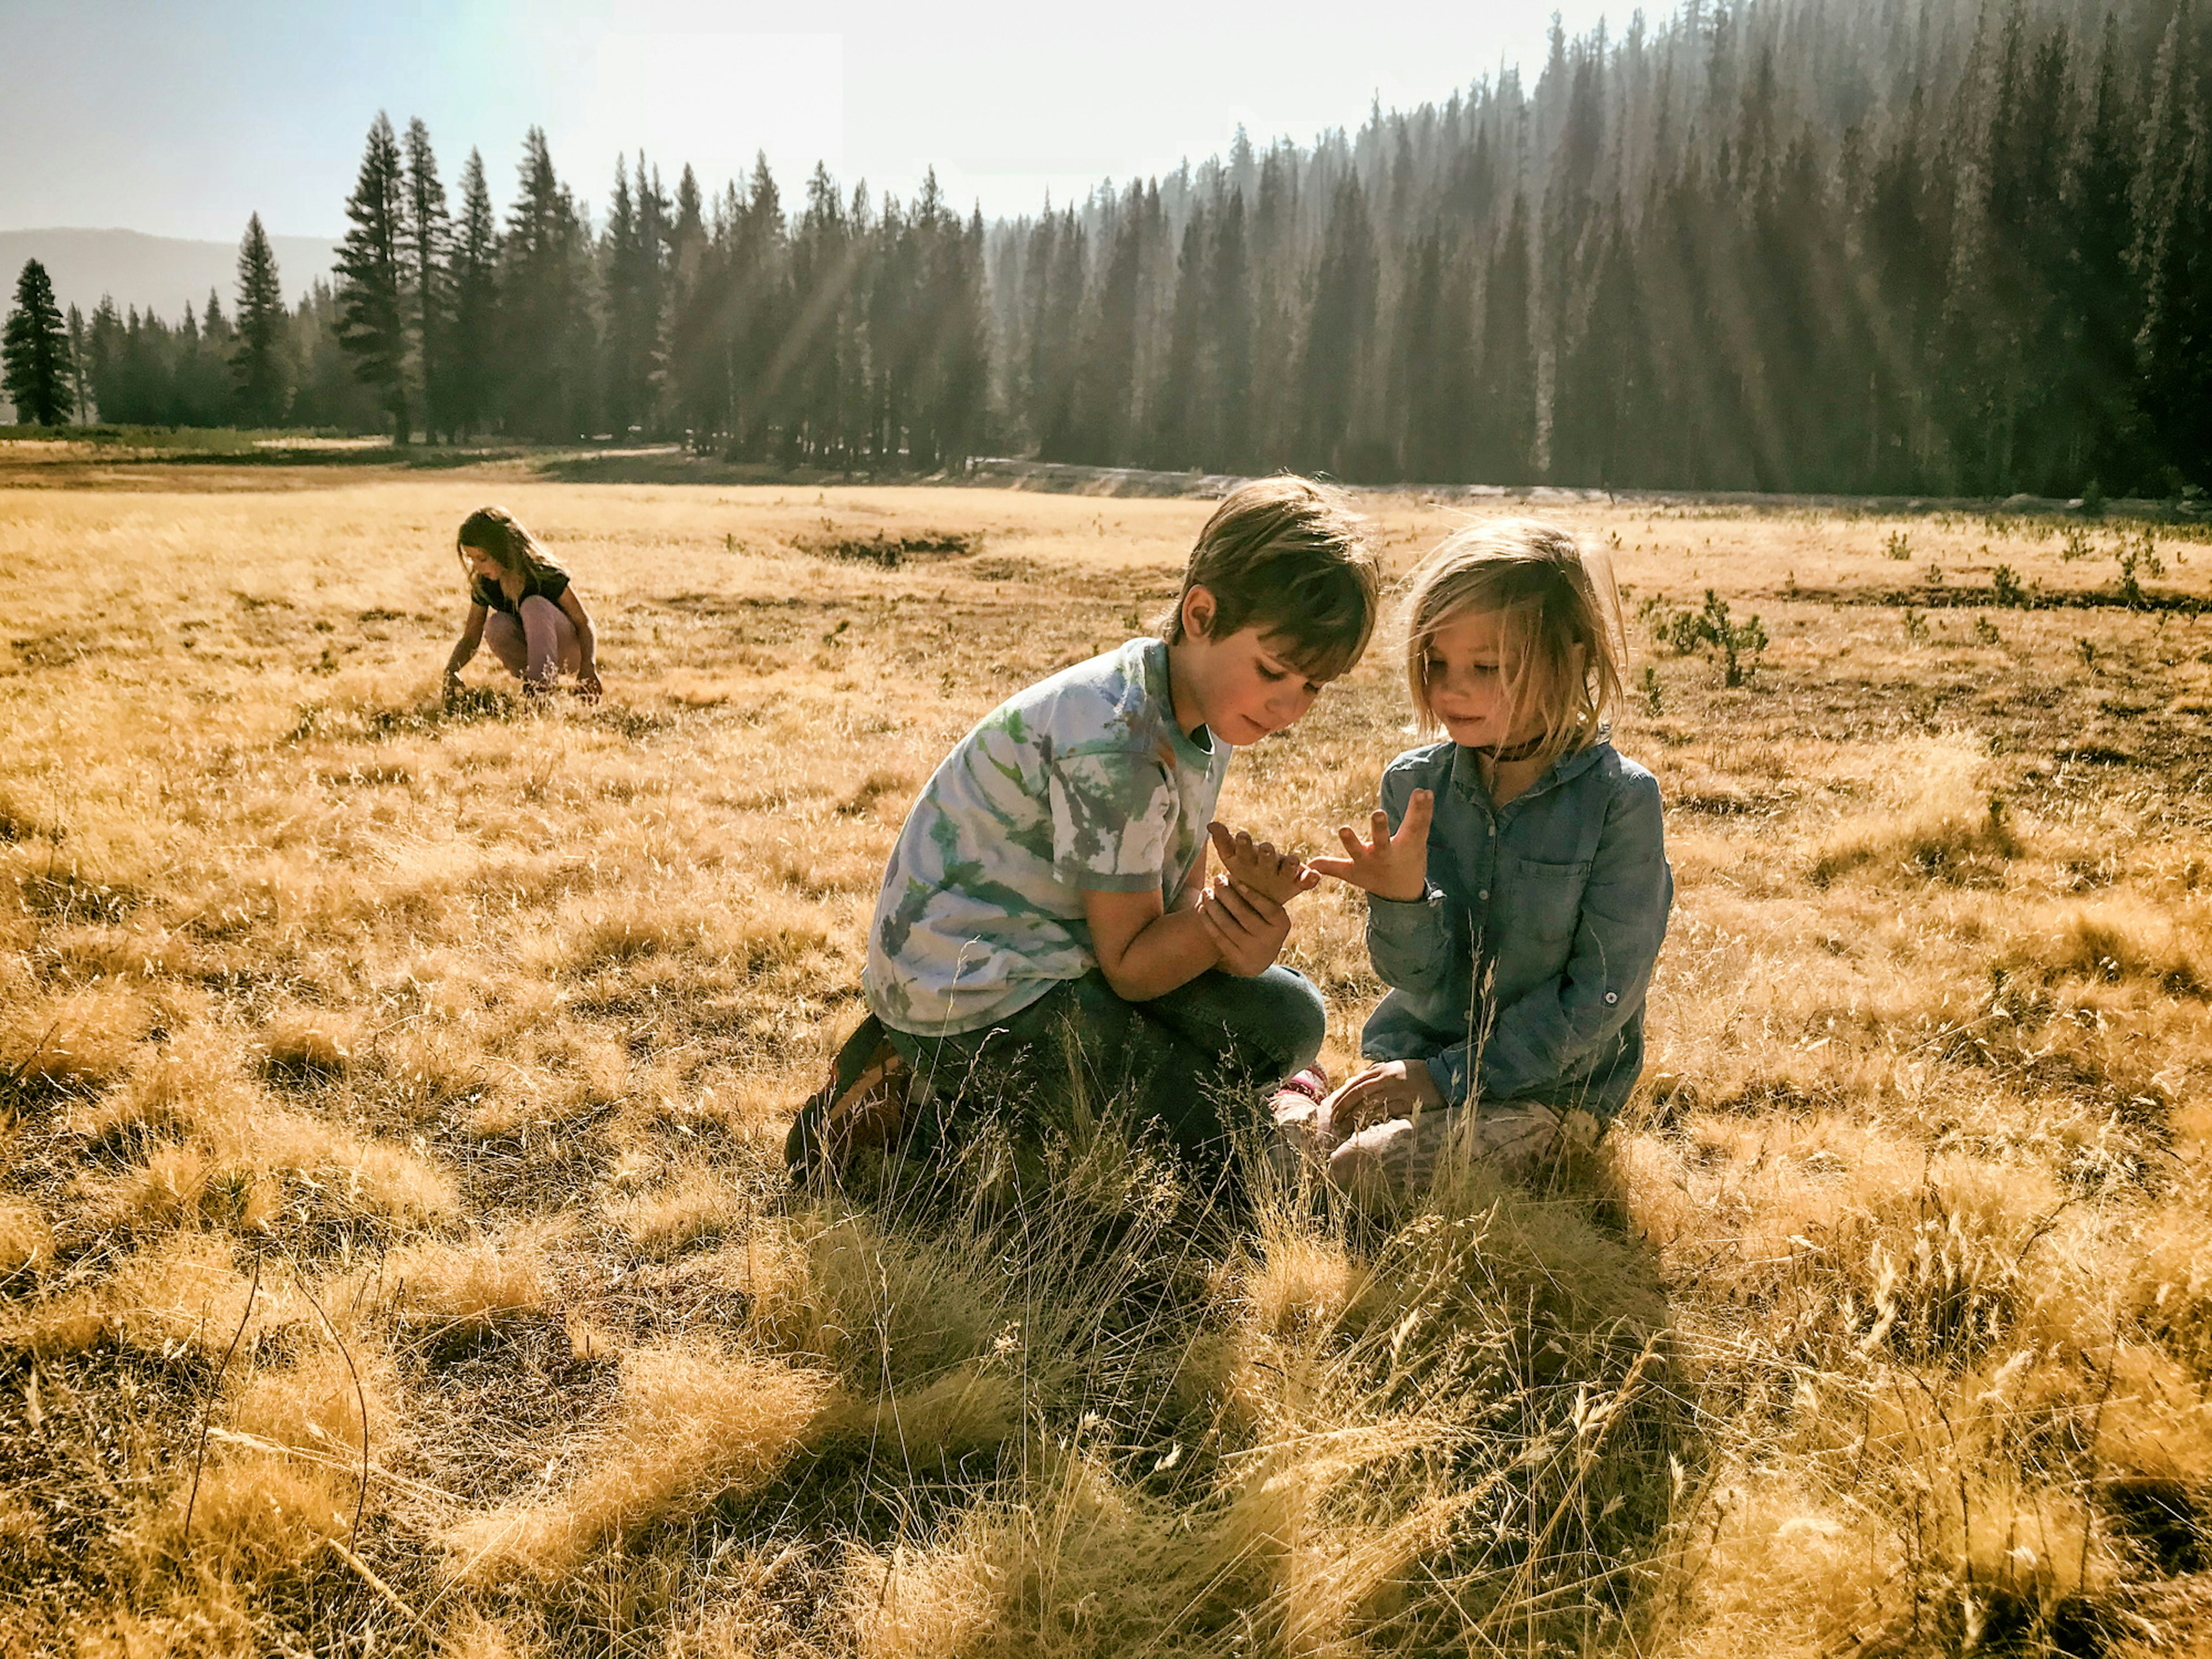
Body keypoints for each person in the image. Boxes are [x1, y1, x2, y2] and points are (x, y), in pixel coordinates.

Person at [787, 476, 1384, 1185]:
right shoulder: (1117, 744)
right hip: (974, 994)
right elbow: (1134, 970)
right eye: (1275, 672)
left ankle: (997, 1092)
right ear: (1201, 614)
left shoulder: (1203, 709)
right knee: (1203, 1142)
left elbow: (1165, 916)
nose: (1290, 707)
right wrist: (1220, 924)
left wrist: (1239, 935)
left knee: (1292, 1018)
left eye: (1313, 687)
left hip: (1075, 960)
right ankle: (912, 1094)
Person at [1298, 518, 1672, 1201]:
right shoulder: (1415, 785)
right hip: (1412, 1065)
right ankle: (1304, 1096)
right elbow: (1410, 975)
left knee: (1357, 1174)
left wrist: (1450, 1080)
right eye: (1436, 664)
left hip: (1550, 1093)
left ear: (1571, 657)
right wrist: (1401, 901)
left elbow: (1600, 999)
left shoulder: (1621, 802)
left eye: (1486, 667)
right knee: (1280, 1148)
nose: (1450, 690)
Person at [441, 506, 603, 703]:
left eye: (482, 559)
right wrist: (451, 670)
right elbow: (471, 636)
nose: (477, 567)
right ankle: (534, 686)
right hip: (529, 653)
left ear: (502, 550)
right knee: (497, 624)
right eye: (472, 559)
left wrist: (588, 666)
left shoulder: (544, 574)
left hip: (569, 652)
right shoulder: (486, 584)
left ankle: (539, 690)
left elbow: (584, 621)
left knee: (533, 605)